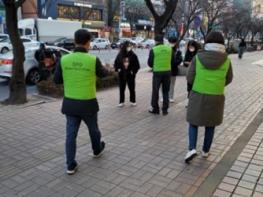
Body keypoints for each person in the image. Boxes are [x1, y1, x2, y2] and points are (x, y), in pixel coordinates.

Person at [54, 29, 109, 175]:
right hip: (88, 103)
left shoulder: (64, 59)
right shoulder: (92, 60)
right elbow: (103, 75)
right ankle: (97, 150)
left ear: (75, 41)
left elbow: (57, 80)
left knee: (70, 134)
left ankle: (70, 165)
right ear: (88, 42)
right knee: (93, 129)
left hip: (70, 103)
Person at [185, 31, 233, 163]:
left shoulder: (198, 58)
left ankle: (192, 149)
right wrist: (217, 85)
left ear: (207, 42)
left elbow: (189, 77)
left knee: (193, 122)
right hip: (216, 96)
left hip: (198, 94)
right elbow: (229, 79)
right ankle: (205, 151)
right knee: (210, 125)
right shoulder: (227, 61)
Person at [148, 34, 174, 115]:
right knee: (166, 91)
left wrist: (155, 66)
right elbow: (172, 61)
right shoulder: (170, 49)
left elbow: (150, 63)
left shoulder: (154, 50)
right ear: (163, 41)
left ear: (156, 41)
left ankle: (155, 109)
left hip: (157, 73)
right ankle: (165, 110)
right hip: (167, 72)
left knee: (155, 91)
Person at [114, 41, 140, 107]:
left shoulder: (133, 55)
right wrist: (118, 69)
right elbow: (116, 63)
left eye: (130, 46)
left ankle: (133, 101)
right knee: (122, 88)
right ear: (125, 47)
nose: (129, 47)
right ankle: (121, 101)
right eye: (128, 46)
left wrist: (133, 71)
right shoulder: (120, 54)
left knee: (132, 88)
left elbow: (137, 65)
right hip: (122, 74)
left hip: (130, 75)